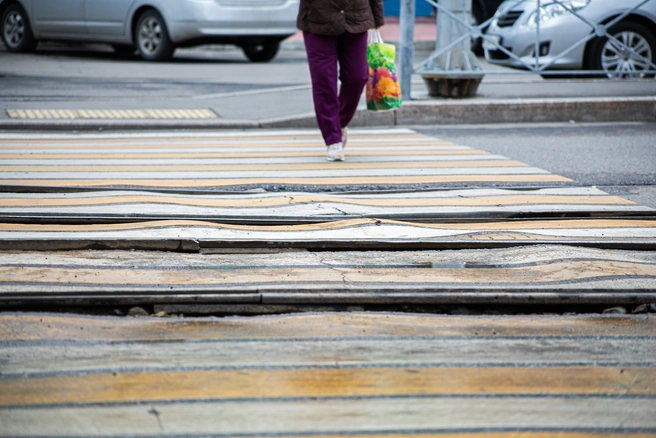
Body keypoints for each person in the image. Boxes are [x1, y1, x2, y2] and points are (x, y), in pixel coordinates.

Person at [297, 0, 384, 161]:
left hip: (356, 18)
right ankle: (333, 139)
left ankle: (339, 123)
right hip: (318, 20)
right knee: (324, 80)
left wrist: (377, 17)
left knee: (357, 77)